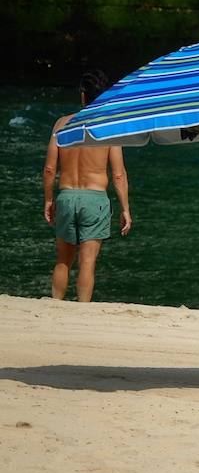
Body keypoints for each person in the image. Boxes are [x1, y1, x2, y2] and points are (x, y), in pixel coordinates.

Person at [43, 70, 132, 302]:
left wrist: (49, 200)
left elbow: (50, 169)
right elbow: (119, 174)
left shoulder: (61, 124)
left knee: (63, 260)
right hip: (95, 199)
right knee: (87, 262)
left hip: (67, 195)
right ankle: (82, 310)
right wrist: (125, 209)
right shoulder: (109, 127)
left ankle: (55, 307)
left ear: (83, 95)